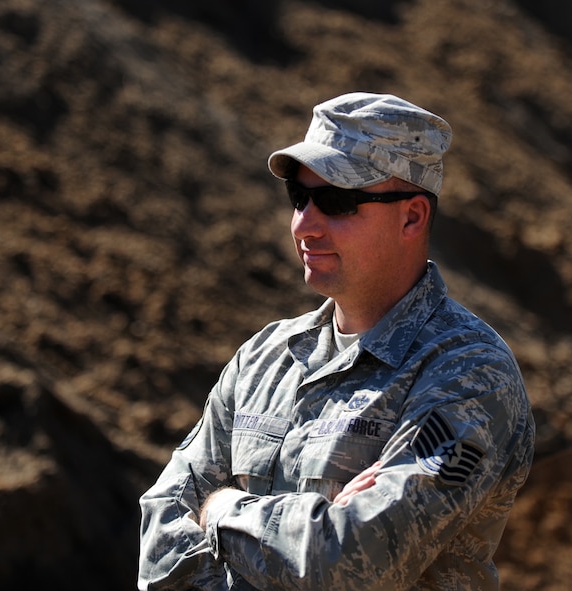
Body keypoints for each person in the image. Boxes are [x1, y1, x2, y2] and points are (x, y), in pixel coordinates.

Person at [137, 92, 535, 590]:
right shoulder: (265, 358)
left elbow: (350, 561)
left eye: (337, 202)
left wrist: (220, 507)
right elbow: (160, 526)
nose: (305, 224)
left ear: (412, 217)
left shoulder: (470, 374)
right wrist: (310, 524)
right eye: (299, 198)